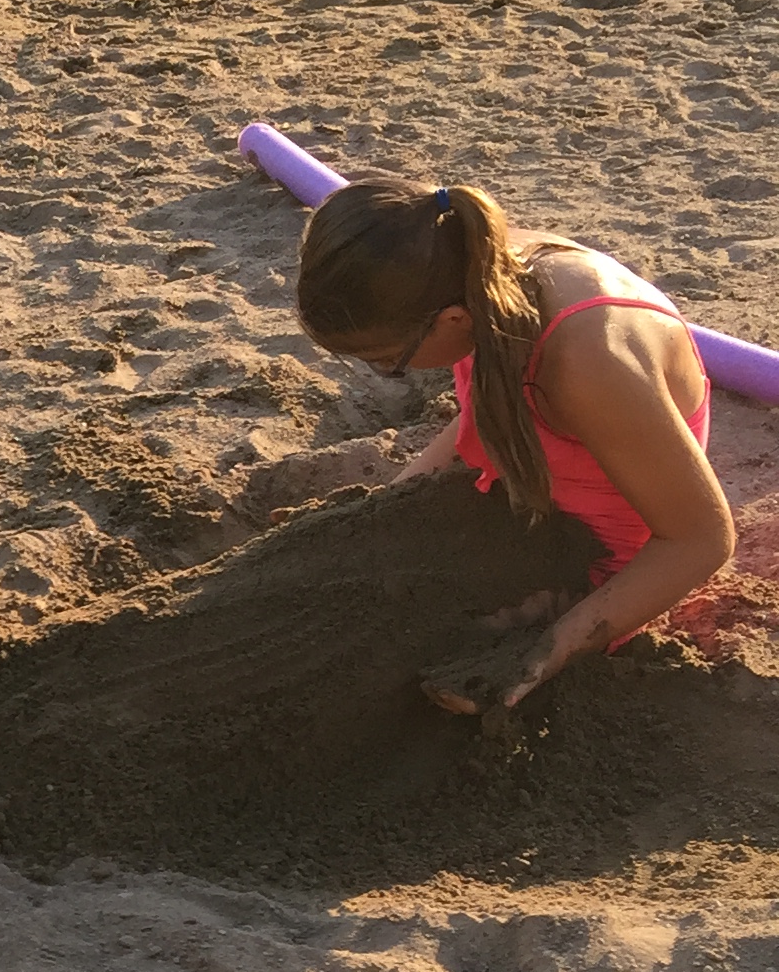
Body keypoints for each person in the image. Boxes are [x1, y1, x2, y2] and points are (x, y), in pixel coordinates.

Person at [296, 177, 735, 711]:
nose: (389, 370)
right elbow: (487, 409)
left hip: (604, 559)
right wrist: (379, 512)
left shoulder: (587, 365)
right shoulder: (466, 261)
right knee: (329, 583)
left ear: (452, 320)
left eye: (388, 361)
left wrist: (546, 652)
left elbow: (701, 539)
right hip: (527, 485)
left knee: (386, 666)